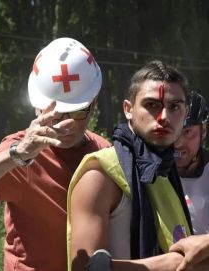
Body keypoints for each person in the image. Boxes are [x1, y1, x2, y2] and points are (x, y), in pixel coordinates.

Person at [0, 37, 111, 271]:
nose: (66, 124)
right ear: (37, 108)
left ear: (93, 104)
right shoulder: (20, 153)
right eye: (56, 114)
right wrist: (16, 155)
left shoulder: (104, 153)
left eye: (77, 112)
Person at [66, 60, 205, 271]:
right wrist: (174, 262)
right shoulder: (100, 175)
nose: (164, 117)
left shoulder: (165, 172)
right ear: (128, 109)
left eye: (174, 106)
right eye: (152, 105)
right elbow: (85, 268)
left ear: (185, 114)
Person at [174, 91, 209, 234]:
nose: (177, 143)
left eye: (187, 132)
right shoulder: (152, 174)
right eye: (173, 131)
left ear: (204, 131)